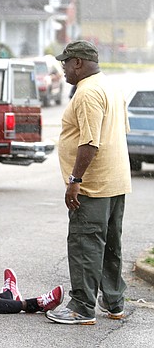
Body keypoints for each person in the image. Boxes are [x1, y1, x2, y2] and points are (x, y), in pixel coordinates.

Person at [46, 40, 131, 325]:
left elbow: (90, 142)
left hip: (93, 185)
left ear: (78, 62)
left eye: (66, 64)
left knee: (85, 244)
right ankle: (114, 301)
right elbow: (120, 132)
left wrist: (75, 180)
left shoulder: (87, 93)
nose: (64, 70)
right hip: (116, 181)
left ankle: (81, 307)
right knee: (109, 245)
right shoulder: (111, 86)